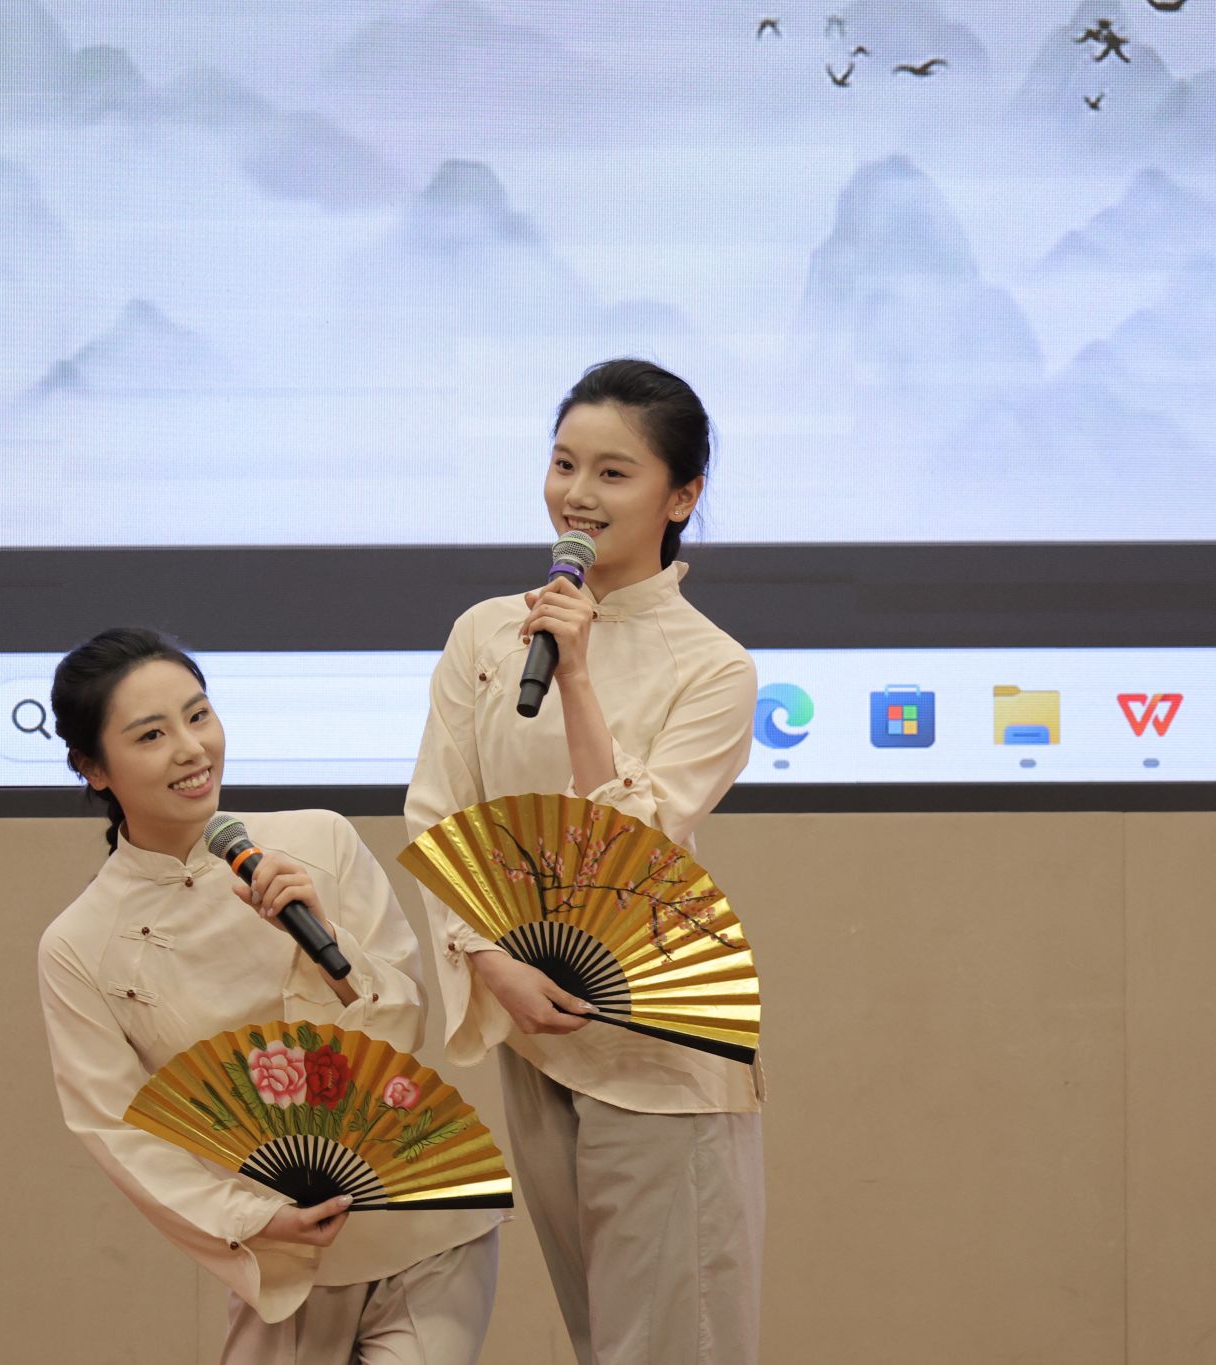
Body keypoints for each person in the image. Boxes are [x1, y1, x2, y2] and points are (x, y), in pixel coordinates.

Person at [404, 359, 764, 1364]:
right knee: (599, 1339)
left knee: (670, 1346)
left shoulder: (714, 667)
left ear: (681, 497)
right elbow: (440, 815)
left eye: (613, 472)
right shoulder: (486, 633)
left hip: (657, 1049)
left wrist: (576, 681)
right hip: (532, 1025)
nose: (576, 494)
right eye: (564, 464)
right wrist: (488, 962)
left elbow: (634, 851)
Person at [37, 627, 503, 1364]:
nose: (191, 748)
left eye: (199, 715)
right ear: (93, 768)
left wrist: (325, 944)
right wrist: (250, 1218)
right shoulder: (79, 943)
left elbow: (403, 1025)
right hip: (280, 1254)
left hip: (425, 1223)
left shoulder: (320, 840)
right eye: (152, 734)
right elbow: (116, 1129)